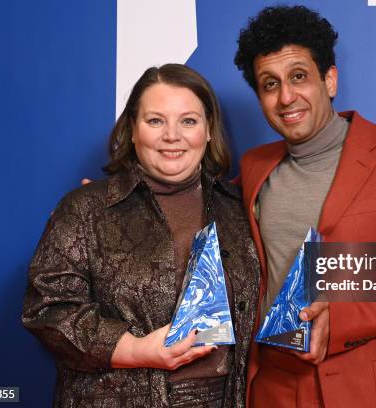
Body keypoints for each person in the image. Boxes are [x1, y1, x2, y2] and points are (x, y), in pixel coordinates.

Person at [233, 5, 376, 407]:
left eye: (299, 77)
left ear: (330, 79)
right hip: (273, 386)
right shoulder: (254, 168)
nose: (286, 96)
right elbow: (196, 217)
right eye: (269, 84)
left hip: (371, 387)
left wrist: (340, 316)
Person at [22, 64, 260, 407]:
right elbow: (47, 309)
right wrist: (134, 350)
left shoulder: (240, 208)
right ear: (132, 129)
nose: (172, 136)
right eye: (155, 121)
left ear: (209, 130)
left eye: (188, 121)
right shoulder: (86, 208)